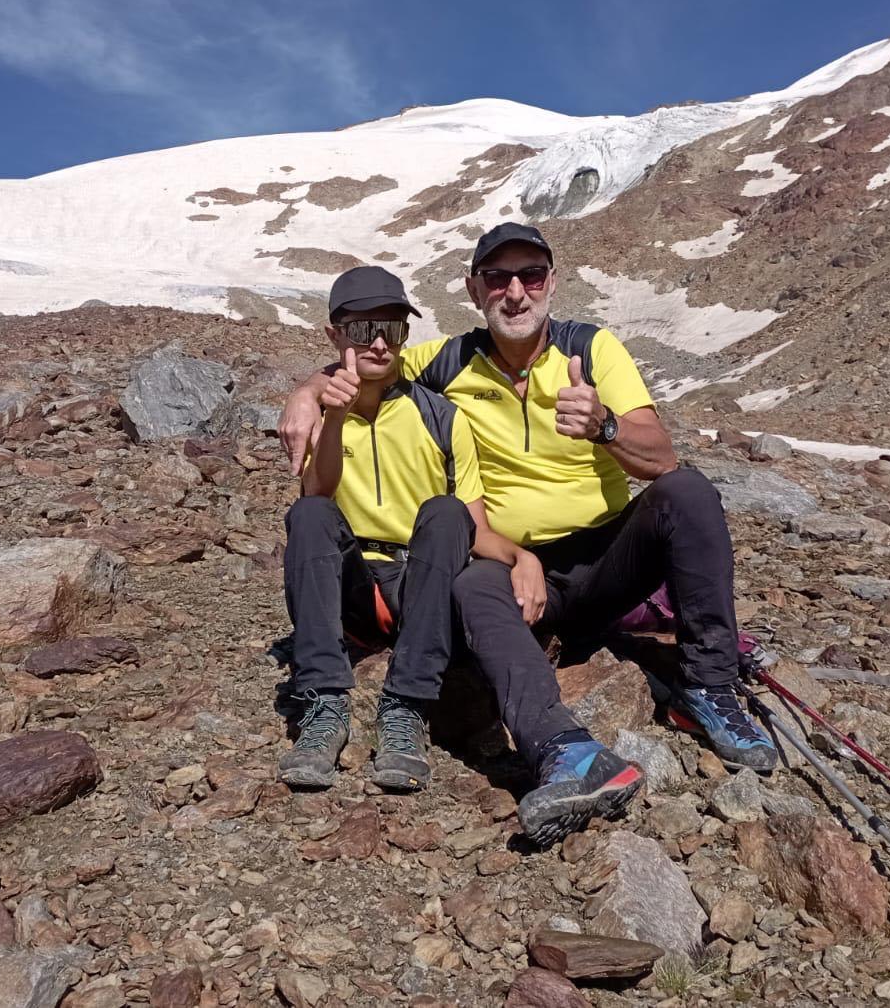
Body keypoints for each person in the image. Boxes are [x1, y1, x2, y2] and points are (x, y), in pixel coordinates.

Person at [282, 223, 775, 845]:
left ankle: (707, 686)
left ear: (551, 282)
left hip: (606, 558)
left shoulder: (593, 351)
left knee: (689, 492)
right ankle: (564, 749)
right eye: (497, 278)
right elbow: (364, 360)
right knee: (471, 584)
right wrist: (305, 392)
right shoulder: (447, 360)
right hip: (513, 568)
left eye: (530, 276)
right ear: (474, 289)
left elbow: (662, 457)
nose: (515, 292)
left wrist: (604, 426)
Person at [280, 265, 544, 795]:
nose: (380, 343)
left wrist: (522, 557)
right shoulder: (321, 412)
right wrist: (333, 416)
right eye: (362, 330)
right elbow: (317, 494)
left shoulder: (441, 416)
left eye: (394, 329)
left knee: (445, 511)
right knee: (307, 515)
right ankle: (324, 703)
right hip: (353, 584)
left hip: (418, 581)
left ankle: (406, 706)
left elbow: (472, 527)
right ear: (335, 336)